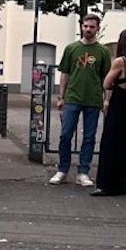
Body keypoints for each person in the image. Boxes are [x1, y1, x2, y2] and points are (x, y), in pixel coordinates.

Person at [49, 13, 111, 188]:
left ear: (97, 28)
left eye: (92, 27)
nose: (88, 29)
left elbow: (107, 78)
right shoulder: (71, 48)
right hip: (73, 98)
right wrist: (61, 97)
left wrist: (106, 100)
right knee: (65, 134)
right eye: (85, 26)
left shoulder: (103, 51)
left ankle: (83, 171)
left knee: (89, 137)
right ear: (81, 27)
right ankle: (62, 169)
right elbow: (65, 73)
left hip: (93, 99)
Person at [91, 28, 126, 196]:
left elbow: (106, 83)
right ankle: (120, 184)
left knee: (110, 144)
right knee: (124, 146)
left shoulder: (120, 62)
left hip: (119, 104)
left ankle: (106, 185)